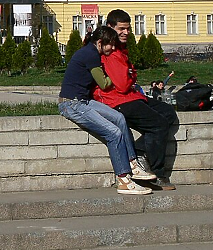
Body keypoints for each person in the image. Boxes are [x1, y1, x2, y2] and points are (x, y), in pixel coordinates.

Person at [58, 25, 153, 195]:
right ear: (100, 42)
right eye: (111, 44)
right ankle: (123, 179)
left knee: (119, 118)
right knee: (113, 133)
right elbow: (103, 83)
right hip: (72, 104)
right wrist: (117, 78)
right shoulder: (91, 55)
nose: (114, 48)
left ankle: (132, 163)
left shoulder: (91, 52)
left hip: (83, 101)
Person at [98, 9, 178, 191]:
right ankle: (157, 175)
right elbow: (122, 84)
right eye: (121, 29)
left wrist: (130, 76)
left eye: (128, 29)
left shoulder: (121, 49)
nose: (126, 33)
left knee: (168, 113)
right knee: (158, 124)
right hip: (117, 101)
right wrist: (130, 76)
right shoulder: (110, 50)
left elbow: (128, 80)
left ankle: (139, 151)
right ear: (110, 27)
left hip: (132, 96)